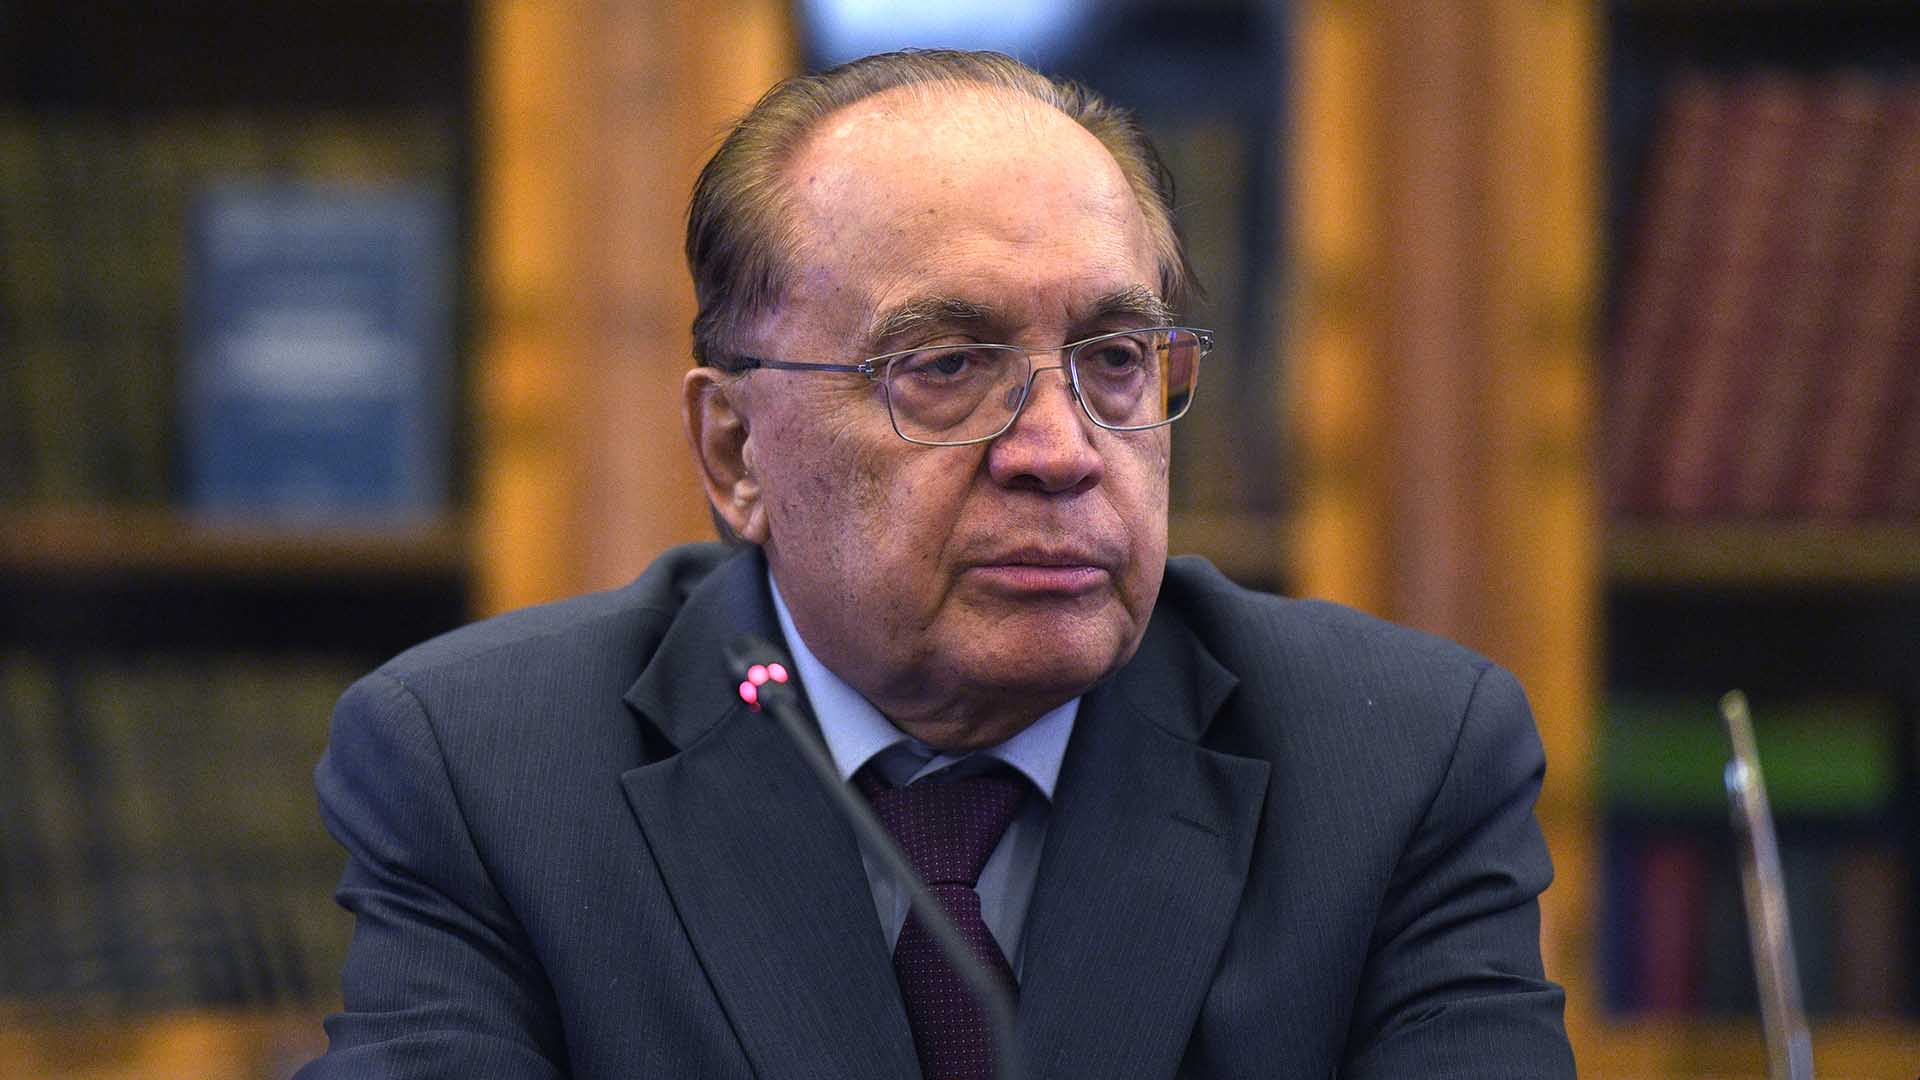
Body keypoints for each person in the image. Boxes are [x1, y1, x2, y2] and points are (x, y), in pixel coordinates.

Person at [299, 49, 1575, 1079]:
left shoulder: (1396, 761)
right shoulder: (491, 770)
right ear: (736, 449)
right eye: (947, 366)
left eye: (1115, 359)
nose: (1061, 453)